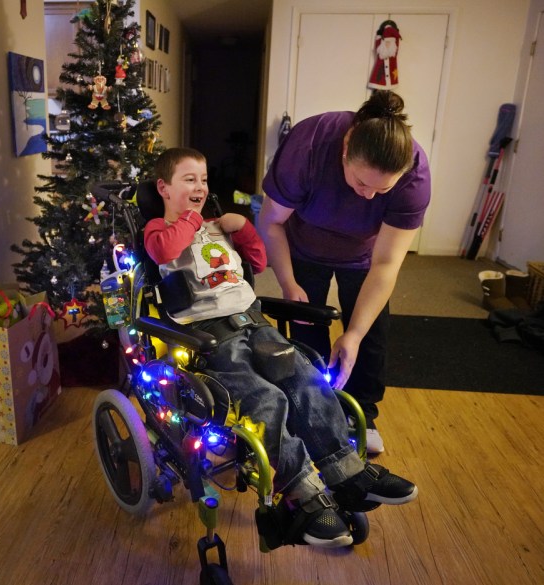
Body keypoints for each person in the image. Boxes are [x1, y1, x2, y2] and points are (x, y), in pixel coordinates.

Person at [144, 147, 418, 549]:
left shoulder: (217, 228)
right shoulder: (159, 229)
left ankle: (348, 472)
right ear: (164, 188)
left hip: (254, 323)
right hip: (208, 337)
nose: (200, 187)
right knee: (267, 399)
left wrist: (244, 232)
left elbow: (256, 261)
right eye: (189, 180)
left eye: (203, 180)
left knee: (307, 379)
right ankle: (302, 491)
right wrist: (192, 218)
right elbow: (163, 252)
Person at [258, 90, 431, 455]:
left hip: (365, 256)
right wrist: (288, 283)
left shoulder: (415, 176)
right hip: (304, 243)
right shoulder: (310, 143)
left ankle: (363, 415)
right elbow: (271, 222)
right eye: (361, 183)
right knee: (307, 326)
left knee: (368, 333)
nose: (368, 196)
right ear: (346, 147)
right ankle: (315, 410)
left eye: (381, 189)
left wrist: (353, 333)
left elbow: (387, 264)